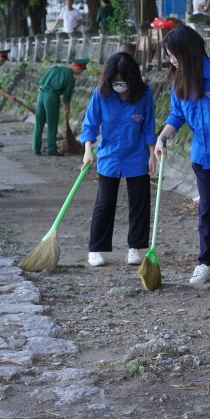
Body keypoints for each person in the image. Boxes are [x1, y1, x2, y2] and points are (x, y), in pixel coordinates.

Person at [154, 25, 210, 285]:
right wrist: (162, 137)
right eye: (169, 57)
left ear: (188, 51)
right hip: (201, 157)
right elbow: (178, 115)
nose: (172, 61)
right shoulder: (178, 79)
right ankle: (205, 261)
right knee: (206, 209)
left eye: (174, 55)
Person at [80, 52, 156, 267]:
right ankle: (96, 248)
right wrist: (88, 150)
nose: (118, 85)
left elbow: (149, 126)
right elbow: (90, 124)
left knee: (139, 203)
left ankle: (135, 248)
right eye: (115, 81)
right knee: (104, 203)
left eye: (123, 81)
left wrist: (152, 155)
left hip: (138, 155)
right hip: (109, 156)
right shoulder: (101, 94)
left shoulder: (145, 94)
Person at [33, 58, 88, 156]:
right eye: (80, 70)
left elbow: (42, 80)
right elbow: (66, 98)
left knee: (39, 122)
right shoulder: (70, 77)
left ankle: (36, 148)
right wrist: (67, 109)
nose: (80, 73)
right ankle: (51, 149)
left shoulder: (55, 68)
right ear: (76, 67)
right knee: (52, 123)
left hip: (40, 94)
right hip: (51, 97)